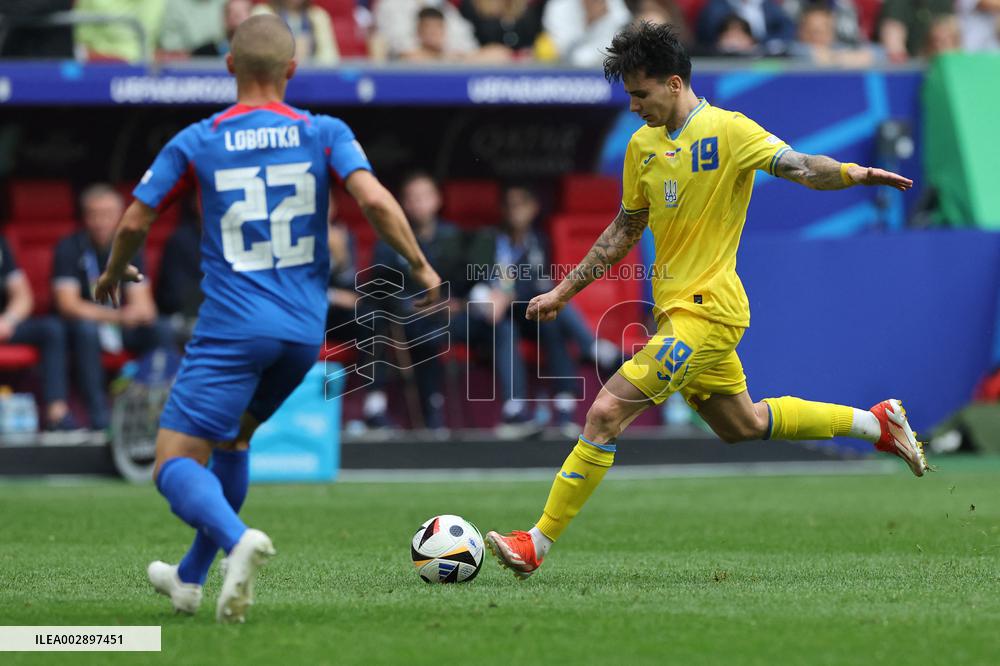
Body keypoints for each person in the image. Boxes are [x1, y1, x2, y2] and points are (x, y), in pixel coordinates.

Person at [484, 22, 926, 579]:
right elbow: (624, 228)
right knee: (740, 424)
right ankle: (876, 424)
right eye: (629, 97)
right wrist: (561, 291)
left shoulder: (730, 131)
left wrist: (852, 173)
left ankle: (536, 543)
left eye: (640, 94)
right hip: (680, 311)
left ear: (673, 83)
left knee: (604, 412)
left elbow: (798, 167)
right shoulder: (641, 147)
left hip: (708, 309)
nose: (634, 106)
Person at [94, 14, 439, 622]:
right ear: (292, 70)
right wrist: (422, 266)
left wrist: (115, 269)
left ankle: (237, 542)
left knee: (172, 462)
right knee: (233, 439)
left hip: (231, 330)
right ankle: (190, 580)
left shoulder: (198, 138)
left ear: (228, 67)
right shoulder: (324, 131)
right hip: (302, 337)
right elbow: (377, 201)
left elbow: (132, 221)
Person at [53, 184, 173, 431]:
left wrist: (132, 314)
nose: (100, 221)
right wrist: (116, 316)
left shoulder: (130, 247)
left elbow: (145, 307)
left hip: (120, 327)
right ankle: (99, 418)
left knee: (161, 328)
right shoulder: (69, 247)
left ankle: (159, 411)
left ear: (120, 215)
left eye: (107, 214)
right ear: (84, 216)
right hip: (88, 327)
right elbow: (68, 305)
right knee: (85, 330)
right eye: (93, 214)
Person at [362, 171, 465, 432]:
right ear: (403, 204)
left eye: (424, 197)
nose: (418, 203)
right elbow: (380, 287)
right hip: (405, 316)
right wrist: (413, 305)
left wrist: (455, 302)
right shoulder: (390, 236)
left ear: (437, 200)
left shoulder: (453, 237)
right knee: (403, 327)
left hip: (450, 314)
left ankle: (514, 409)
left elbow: (466, 283)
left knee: (500, 323)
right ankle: (423, 412)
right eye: (412, 198)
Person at [0, 235, 75, 431]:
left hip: (3, 326)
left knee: (51, 329)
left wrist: (8, 320)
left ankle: (56, 414)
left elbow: (22, 295)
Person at [251, 0, 339, 65]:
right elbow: (257, 59)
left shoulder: (318, 16)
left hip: (311, 78)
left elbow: (330, 59)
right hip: (274, 80)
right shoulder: (262, 13)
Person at [879, 0, 954, 63]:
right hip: (911, 66)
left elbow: (950, 39)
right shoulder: (897, 4)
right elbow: (894, 44)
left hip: (937, 64)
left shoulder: (943, 3)